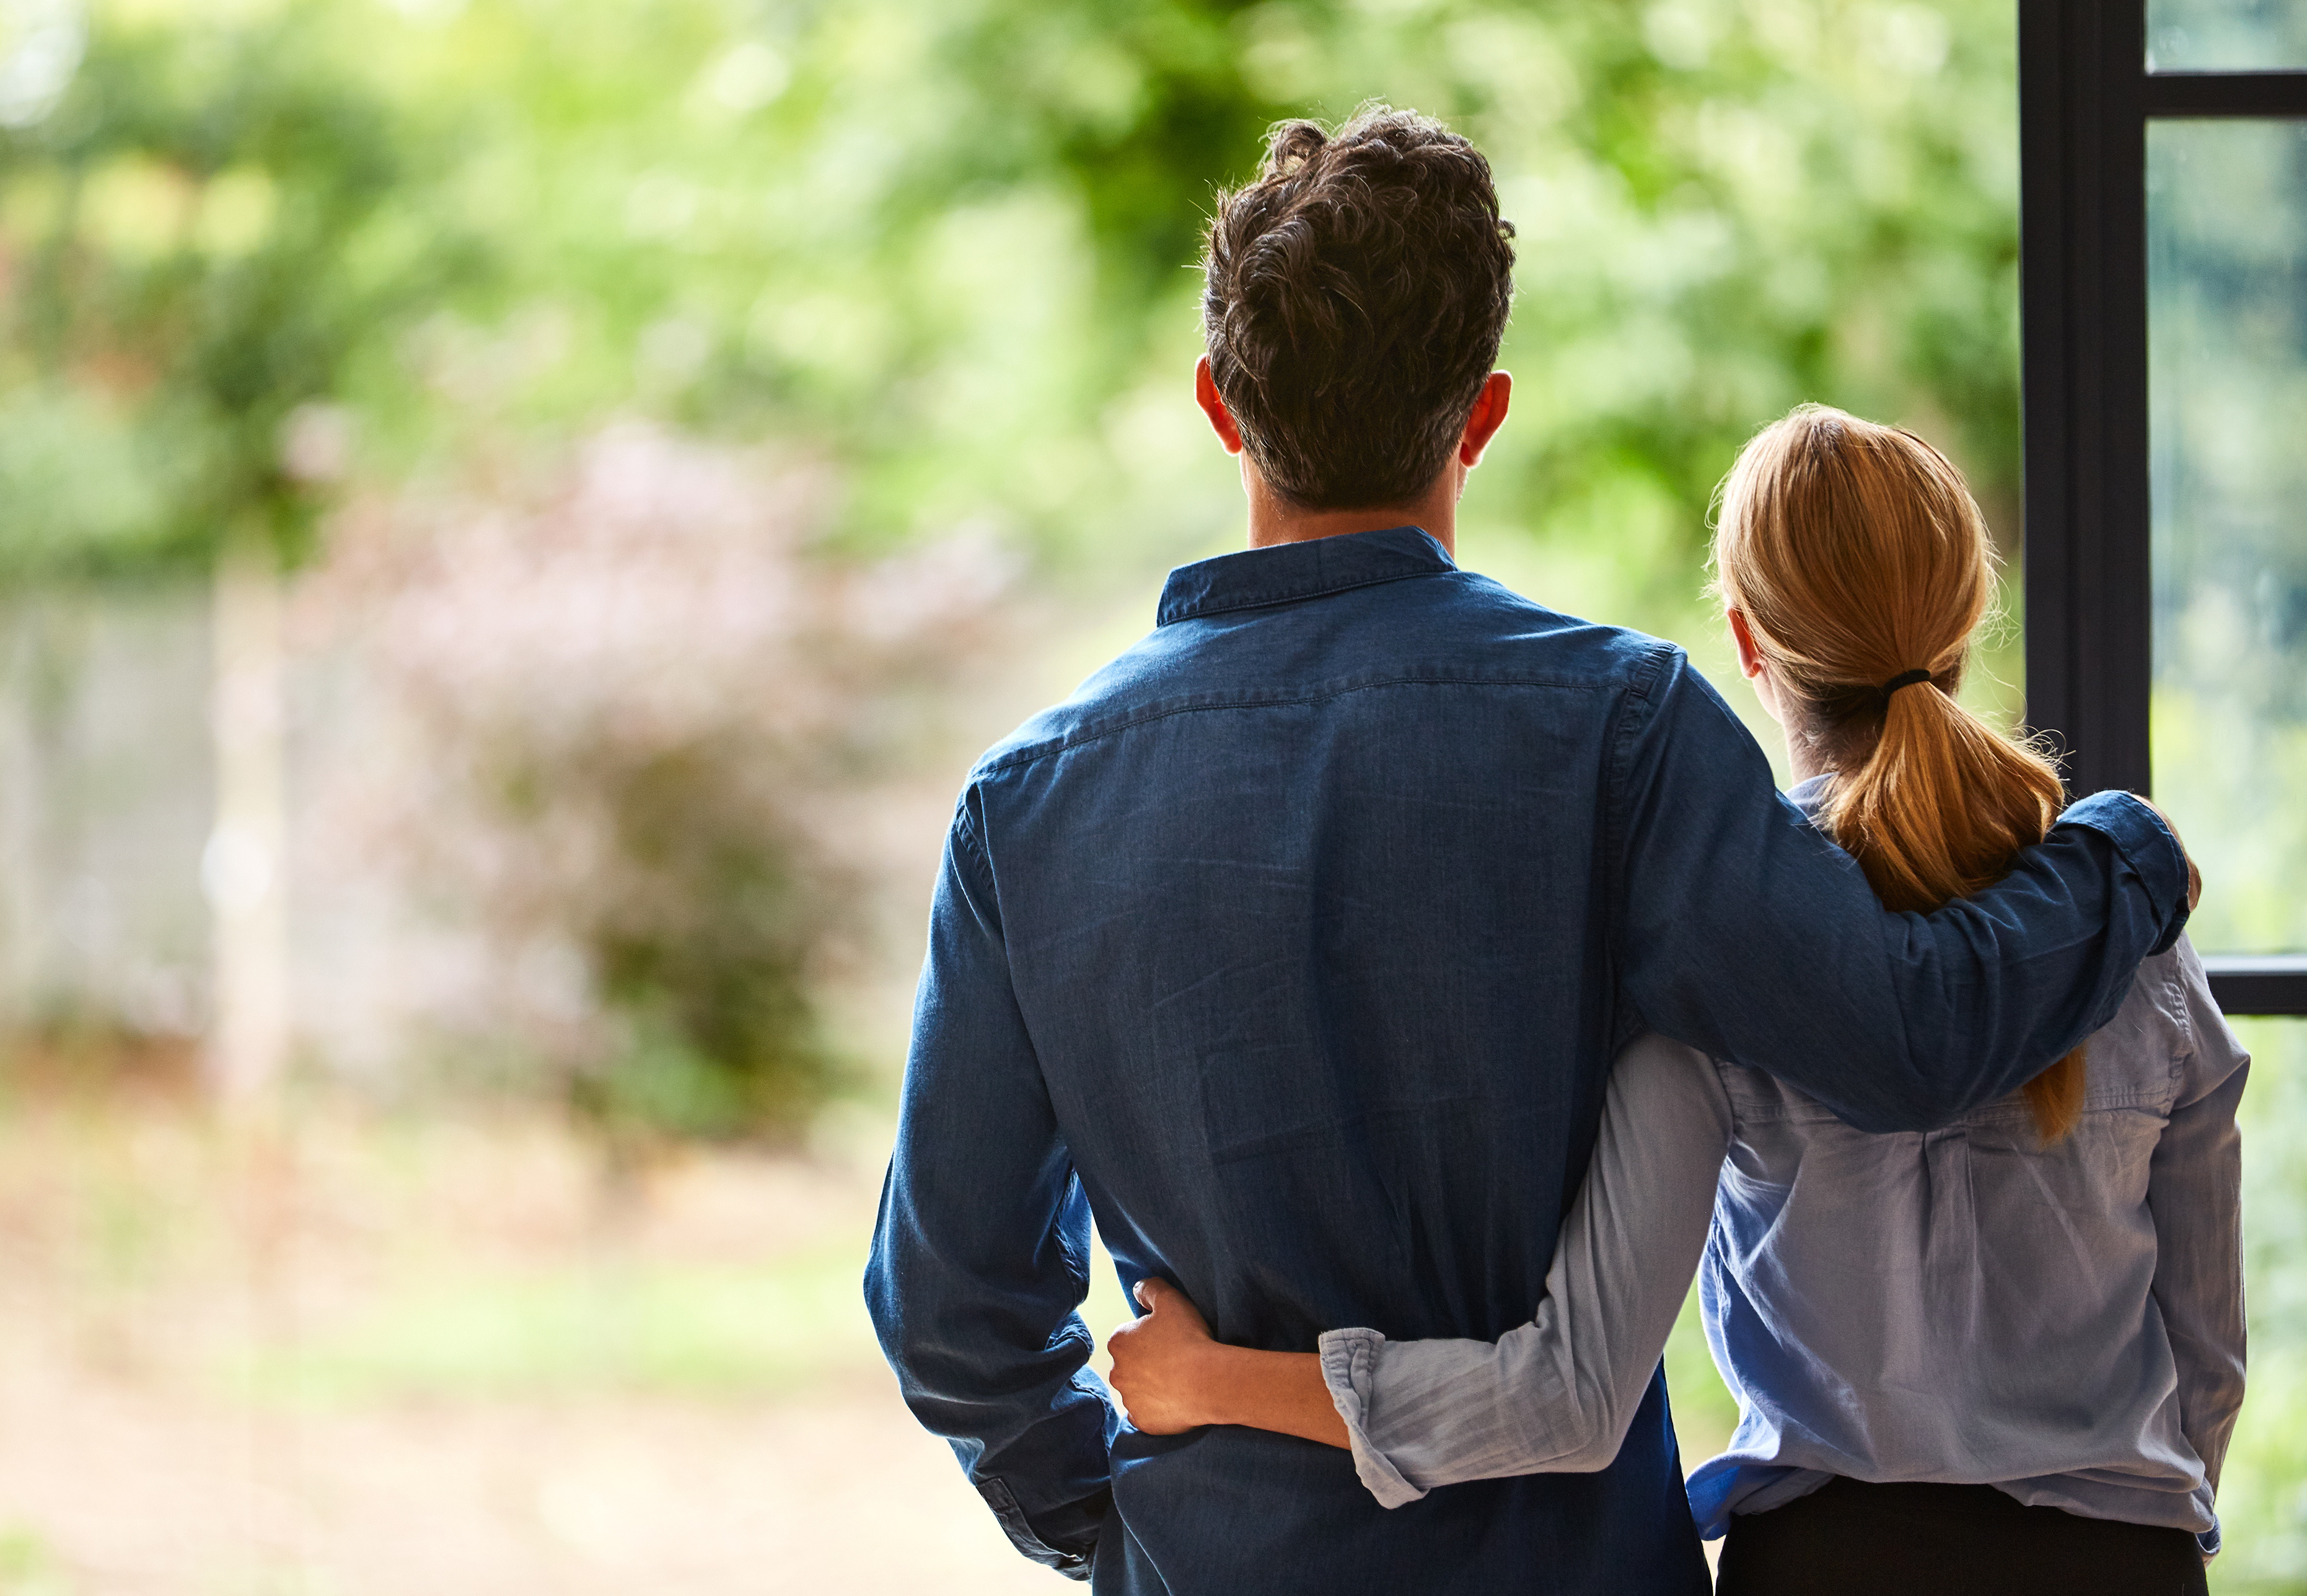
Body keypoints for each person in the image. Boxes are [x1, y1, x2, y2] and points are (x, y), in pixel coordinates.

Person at [865, 107, 2197, 1596]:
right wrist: (2125, 853)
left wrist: (1125, 1536)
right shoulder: (1621, 727)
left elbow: (951, 1308)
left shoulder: (1028, 802)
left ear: (1219, 406)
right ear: (1482, 414)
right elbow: (1907, 1033)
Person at [1103, 406, 2244, 1596]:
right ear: (1967, 621)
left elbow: (1569, 1394)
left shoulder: (1720, 947)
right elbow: (2206, 1357)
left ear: (1748, 643)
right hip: (2127, 1565)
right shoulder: (2130, 924)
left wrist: (1215, 1381)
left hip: (1828, 1570)